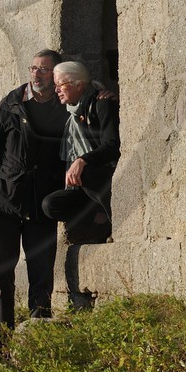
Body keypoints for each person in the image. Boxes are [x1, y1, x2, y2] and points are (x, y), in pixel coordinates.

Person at [0, 49, 66, 330]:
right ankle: (0, 340)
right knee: (1, 273)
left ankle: (38, 337)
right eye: (33, 68)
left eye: (44, 69)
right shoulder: (11, 104)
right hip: (5, 202)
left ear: (56, 75)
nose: (36, 73)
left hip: (41, 203)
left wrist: (100, 95)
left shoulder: (64, 107)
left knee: (41, 273)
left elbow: (87, 99)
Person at [41, 59, 120, 308]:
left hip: (101, 178)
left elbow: (111, 146)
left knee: (83, 173)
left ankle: (107, 220)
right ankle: (95, 219)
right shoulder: (70, 113)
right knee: (50, 204)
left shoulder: (100, 104)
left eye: (60, 84)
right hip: (81, 187)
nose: (57, 90)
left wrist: (83, 160)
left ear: (77, 84)